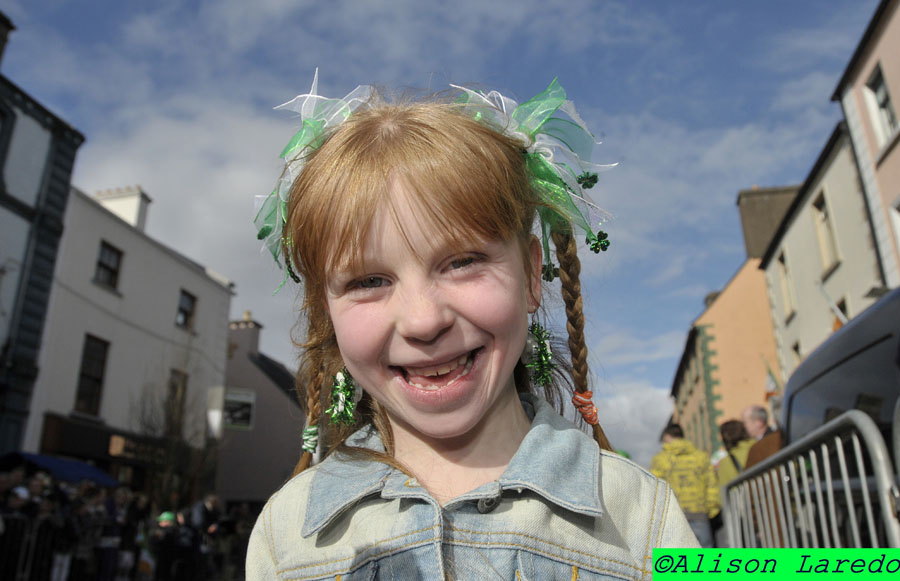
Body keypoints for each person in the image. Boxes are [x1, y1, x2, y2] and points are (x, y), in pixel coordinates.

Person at [246, 74, 697, 579]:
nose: (423, 320)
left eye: (461, 262)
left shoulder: (641, 517)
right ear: (325, 310)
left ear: (530, 275)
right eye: (369, 280)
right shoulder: (284, 536)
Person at [650, 424, 719, 548]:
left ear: (667, 437)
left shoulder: (660, 459)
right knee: (706, 560)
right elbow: (712, 485)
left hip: (673, 515)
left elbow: (655, 488)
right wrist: (711, 509)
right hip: (700, 513)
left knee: (680, 560)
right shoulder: (701, 456)